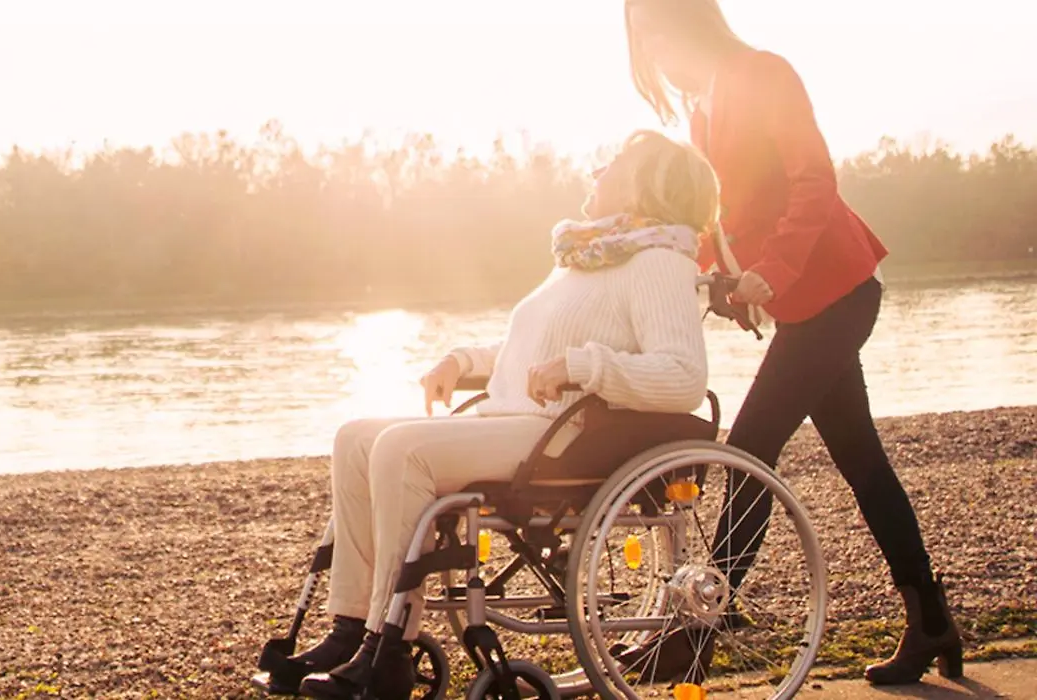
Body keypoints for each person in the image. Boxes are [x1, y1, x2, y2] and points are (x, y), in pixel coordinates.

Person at [287, 130, 717, 700]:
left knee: (400, 449)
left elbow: (683, 375)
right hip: (517, 423)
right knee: (357, 438)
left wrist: (582, 366)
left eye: (610, 163)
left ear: (644, 186)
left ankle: (389, 645)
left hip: (564, 437)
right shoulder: (590, 257)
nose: (595, 170)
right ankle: (349, 628)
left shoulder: (658, 261)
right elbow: (529, 353)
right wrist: (462, 361)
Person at [621, 0, 963, 686]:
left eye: (654, 33)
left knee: (749, 451)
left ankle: (699, 630)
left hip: (839, 290)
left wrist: (769, 274)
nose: (653, 53)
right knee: (862, 460)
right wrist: (722, 277)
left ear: (689, 19)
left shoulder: (763, 73)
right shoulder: (703, 109)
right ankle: (929, 619)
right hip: (804, 306)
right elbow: (726, 213)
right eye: (642, 42)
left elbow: (813, 182)